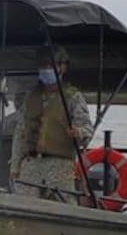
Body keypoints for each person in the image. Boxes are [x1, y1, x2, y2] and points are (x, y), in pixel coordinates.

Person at [10, 46, 93, 199]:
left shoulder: (73, 97)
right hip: (31, 164)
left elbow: (87, 131)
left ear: (63, 67)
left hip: (60, 166)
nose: (47, 69)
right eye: (43, 66)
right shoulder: (30, 96)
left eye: (51, 65)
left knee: (62, 206)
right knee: (23, 205)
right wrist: (15, 166)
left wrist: (78, 133)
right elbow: (20, 133)